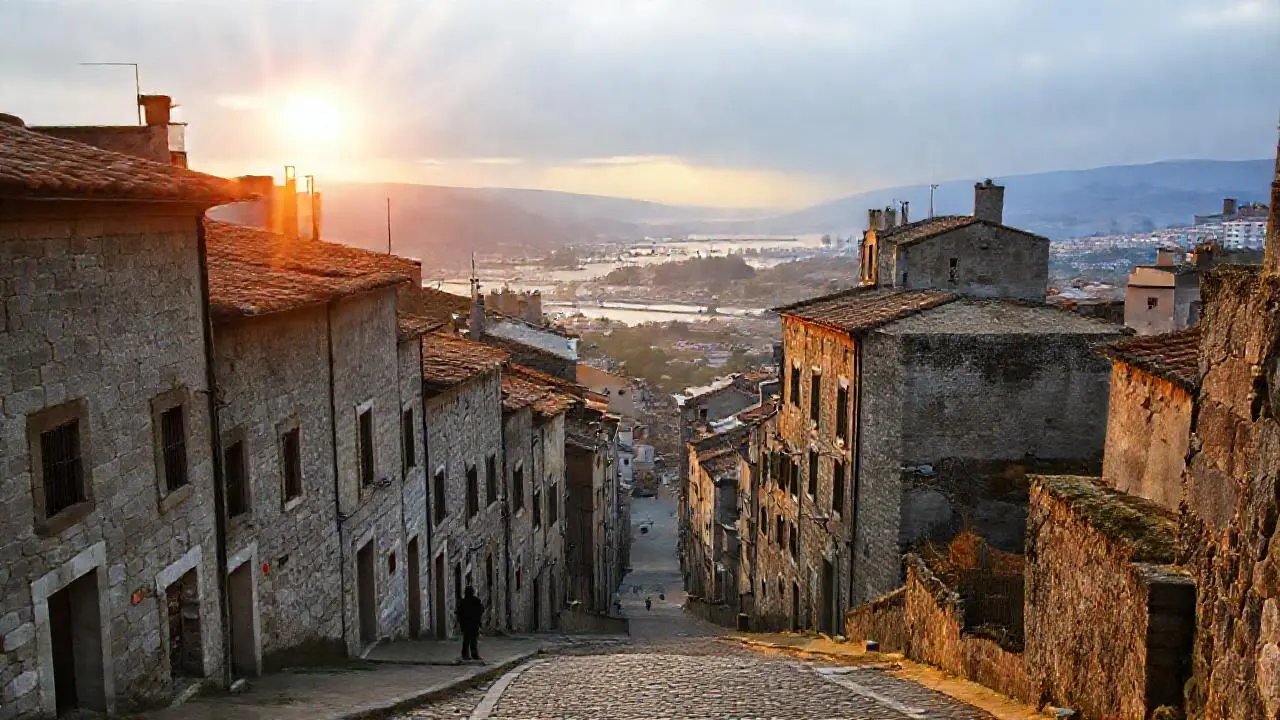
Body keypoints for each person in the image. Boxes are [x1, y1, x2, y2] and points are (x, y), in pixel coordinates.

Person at [457, 586, 484, 661]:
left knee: (466, 640)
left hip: (465, 623)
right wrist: (479, 622)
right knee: (473, 640)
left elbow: (459, 613)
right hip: (473, 623)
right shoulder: (476, 600)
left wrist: (460, 622)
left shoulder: (462, 602)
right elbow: (481, 611)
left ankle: (465, 655)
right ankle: (474, 655)